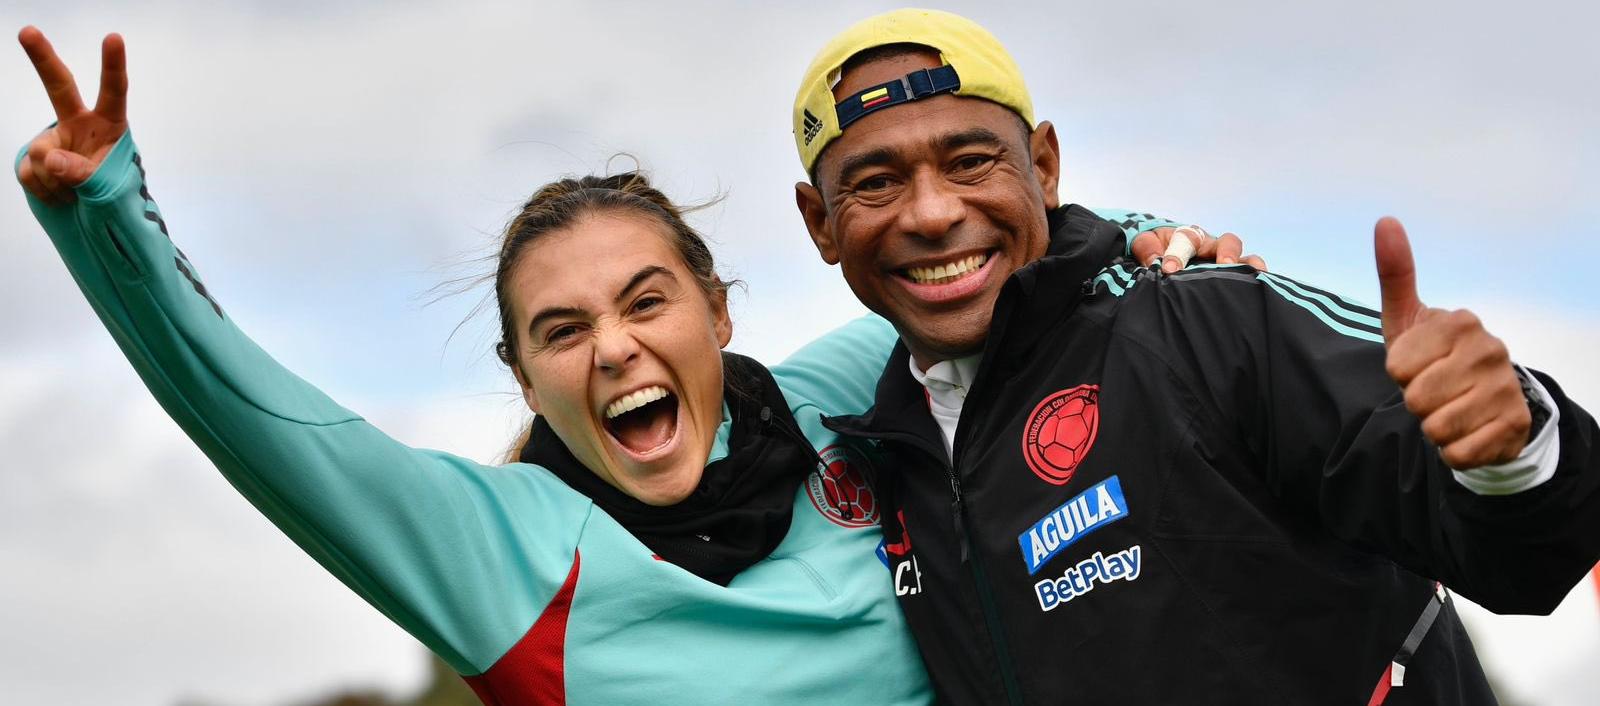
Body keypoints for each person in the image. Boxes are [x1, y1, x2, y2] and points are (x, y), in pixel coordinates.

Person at [12, 27, 1237, 704]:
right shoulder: (494, 548)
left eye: (645, 301)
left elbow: (985, 254)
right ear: (525, 374)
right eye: (560, 330)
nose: (612, 347)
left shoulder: (838, 397)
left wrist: (1155, 242)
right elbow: (255, 418)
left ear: (716, 311)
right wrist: (107, 213)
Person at [789, 8, 1600, 706]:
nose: (932, 214)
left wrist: (1514, 451)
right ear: (820, 224)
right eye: (875, 184)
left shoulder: (1203, 318)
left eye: (970, 163)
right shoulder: (881, 456)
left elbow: (1526, 559)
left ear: (1043, 165)